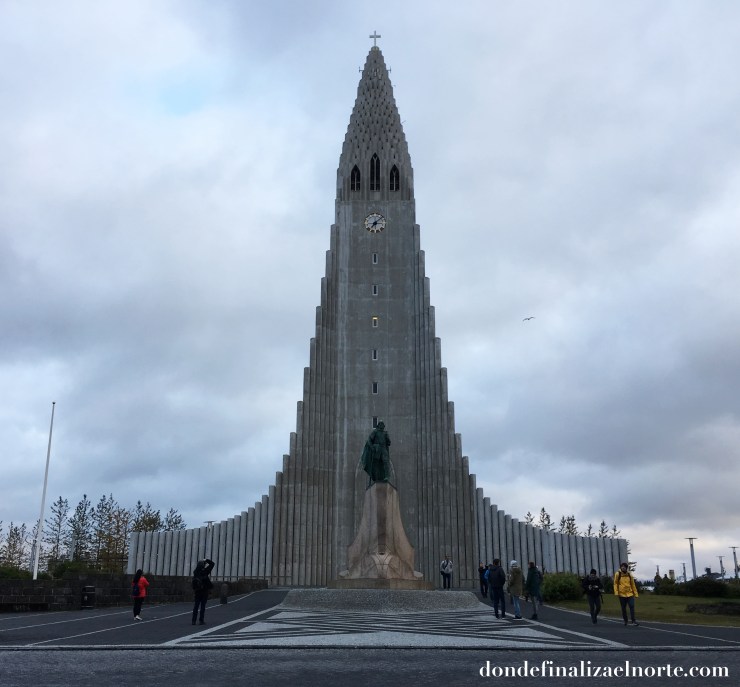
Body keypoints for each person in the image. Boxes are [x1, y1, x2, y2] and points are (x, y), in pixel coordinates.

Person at [613, 562, 639, 626]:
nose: (623, 568)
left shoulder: (629, 574)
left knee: (632, 606)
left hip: (630, 594)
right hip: (622, 594)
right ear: (620, 567)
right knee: (623, 608)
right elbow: (615, 583)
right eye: (622, 566)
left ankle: (633, 620)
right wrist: (616, 592)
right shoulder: (618, 574)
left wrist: (635, 593)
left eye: (624, 567)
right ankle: (625, 620)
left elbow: (633, 584)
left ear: (626, 568)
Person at [191, 558, 215, 625]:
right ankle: (201, 620)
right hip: (204, 591)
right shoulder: (205, 571)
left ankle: (193, 621)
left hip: (197, 591)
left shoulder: (195, 572)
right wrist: (206, 560)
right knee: (202, 606)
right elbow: (212, 564)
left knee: (196, 606)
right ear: (203, 565)